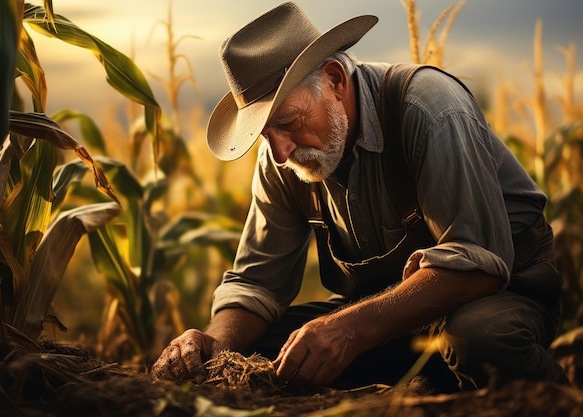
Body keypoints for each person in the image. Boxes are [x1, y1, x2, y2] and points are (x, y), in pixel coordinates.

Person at [152, 2, 568, 391]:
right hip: (380, 319)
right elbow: (256, 282)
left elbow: (481, 265)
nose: (280, 152)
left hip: (495, 299)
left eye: (289, 122)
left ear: (334, 79)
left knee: (481, 338)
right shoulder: (282, 156)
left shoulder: (430, 110)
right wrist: (214, 344)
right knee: (255, 357)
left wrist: (349, 329)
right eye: (264, 134)